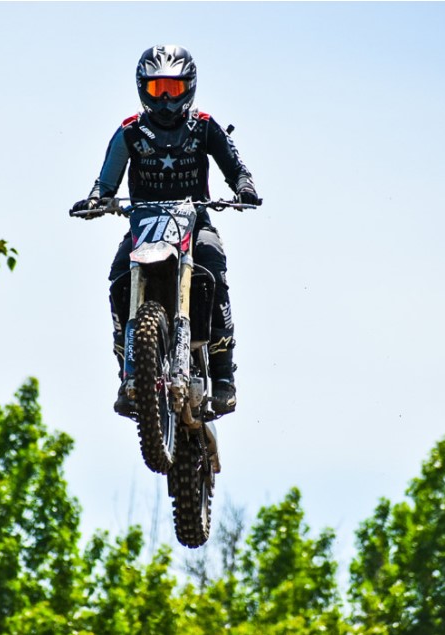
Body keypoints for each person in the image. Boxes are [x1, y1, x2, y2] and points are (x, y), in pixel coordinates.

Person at [71, 45, 261, 416]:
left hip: (196, 222)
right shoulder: (130, 131)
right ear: (143, 89)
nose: (166, 100)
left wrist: (245, 189)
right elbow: (104, 183)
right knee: (118, 277)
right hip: (144, 226)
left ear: (189, 88)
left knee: (212, 263)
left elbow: (236, 168)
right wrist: (95, 201)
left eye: (173, 90)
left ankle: (223, 377)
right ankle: (129, 376)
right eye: (158, 89)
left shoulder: (205, 126)